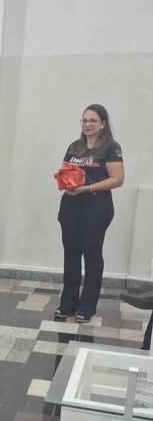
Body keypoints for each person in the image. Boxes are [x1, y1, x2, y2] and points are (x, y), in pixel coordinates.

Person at [56, 104, 124, 321]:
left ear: (102, 124)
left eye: (92, 120)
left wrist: (88, 188)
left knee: (92, 255)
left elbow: (117, 179)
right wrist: (62, 179)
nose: (87, 124)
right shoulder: (74, 146)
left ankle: (87, 307)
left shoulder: (111, 148)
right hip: (71, 206)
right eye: (84, 120)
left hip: (96, 207)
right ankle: (68, 304)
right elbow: (66, 171)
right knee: (71, 254)